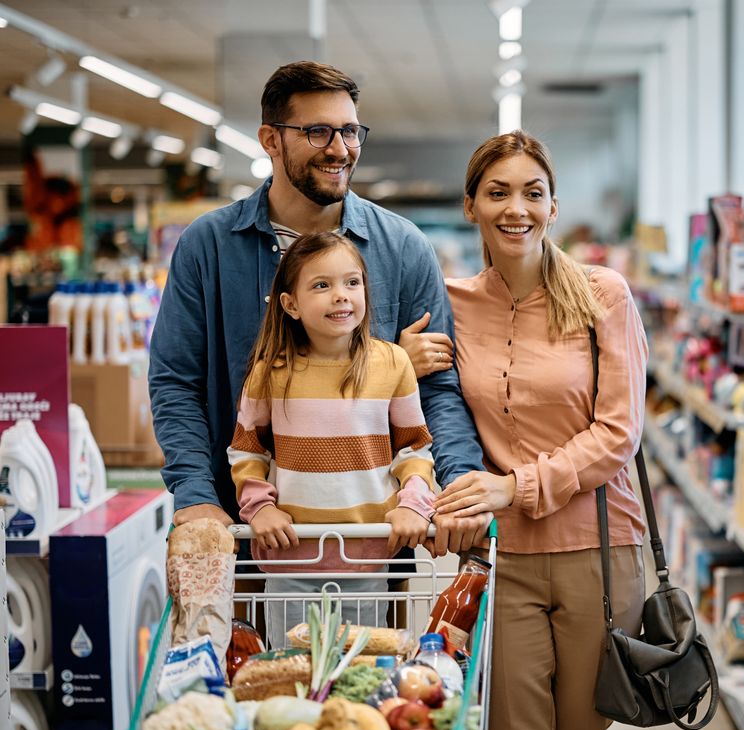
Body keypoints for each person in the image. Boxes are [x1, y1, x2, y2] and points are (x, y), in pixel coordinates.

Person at [149, 61, 489, 554]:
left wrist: (458, 486)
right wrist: (196, 496)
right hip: (242, 537)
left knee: (371, 638)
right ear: (270, 139)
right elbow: (176, 383)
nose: (340, 148)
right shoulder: (210, 246)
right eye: (317, 131)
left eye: (350, 131)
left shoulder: (400, 247)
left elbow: (437, 390)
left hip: (372, 541)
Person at [434, 131, 649, 730]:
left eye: (532, 193)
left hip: (600, 555)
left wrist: (514, 487)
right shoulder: (451, 303)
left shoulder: (602, 295)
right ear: (471, 206)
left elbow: (619, 433)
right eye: (497, 192)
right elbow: (413, 401)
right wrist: (396, 360)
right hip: (506, 561)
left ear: (554, 206)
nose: (515, 208)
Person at [229, 232, 434, 631]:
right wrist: (260, 507)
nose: (341, 295)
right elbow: (247, 450)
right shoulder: (270, 372)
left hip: (369, 558)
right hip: (291, 558)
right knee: (294, 675)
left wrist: (413, 504)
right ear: (290, 304)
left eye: (352, 282)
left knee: (361, 676)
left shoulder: (392, 363)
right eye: (321, 285)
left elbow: (414, 449)